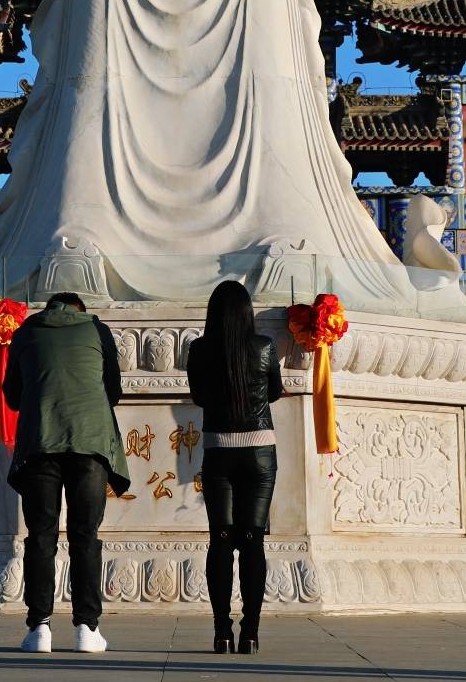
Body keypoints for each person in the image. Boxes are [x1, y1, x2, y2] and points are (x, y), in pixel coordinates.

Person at [2, 291, 131, 654]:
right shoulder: (96, 329)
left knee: (41, 535)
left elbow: (12, 395)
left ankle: (38, 628)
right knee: (84, 535)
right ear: (80, 310)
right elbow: (113, 391)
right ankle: (87, 628)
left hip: (40, 443)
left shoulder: (27, 331)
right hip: (90, 444)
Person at [186, 280, 283, 654]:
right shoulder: (264, 347)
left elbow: (198, 396)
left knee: (221, 540)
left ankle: (221, 630)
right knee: (253, 540)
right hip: (260, 451)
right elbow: (273, 391)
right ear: (247, 313)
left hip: (219, 451)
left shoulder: (200, 349)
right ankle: (251, 633)